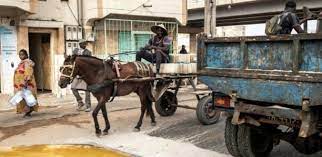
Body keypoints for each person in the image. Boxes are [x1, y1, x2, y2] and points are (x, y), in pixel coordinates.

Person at [14, 49, 39, 118]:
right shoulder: (22, 63)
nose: (21, 56)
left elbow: (28, 74)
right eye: (20, 54)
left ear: (26, 55)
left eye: (22, 54)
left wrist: (25, 84)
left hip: (26, 85)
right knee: (25, 98)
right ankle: (27, 112)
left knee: (27, 98)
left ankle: (28, 112)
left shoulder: (27, 63)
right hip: (21, 85)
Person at [71, 39, 91, 112]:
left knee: (87, 90)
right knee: (73, 88)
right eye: (83, 44)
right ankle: (80, 102)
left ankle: (88, 106)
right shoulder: (75, 50)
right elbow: (72, 59)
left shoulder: (88, 52)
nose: (85, 45)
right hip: (77, 73)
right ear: (79, 44)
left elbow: (88, 62)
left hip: (85, 73)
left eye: (85, 44)